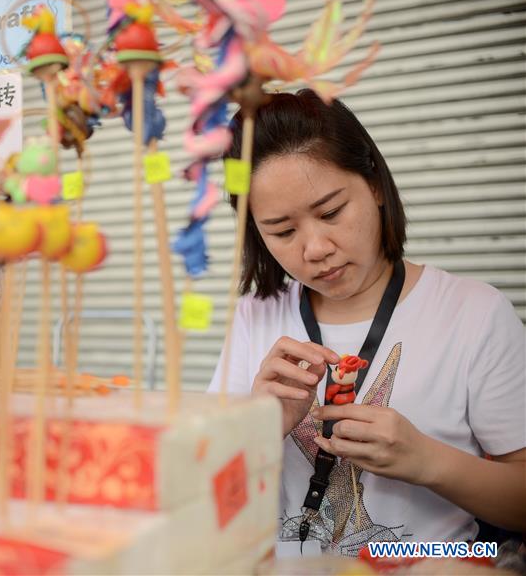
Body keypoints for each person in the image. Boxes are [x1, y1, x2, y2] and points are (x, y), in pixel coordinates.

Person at [208, 90, 525, 557]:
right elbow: (202, 489)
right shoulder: (255, 315)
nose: (316, 248)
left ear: (375, 184)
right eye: (282, 230)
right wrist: (257, 425)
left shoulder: (474, 313)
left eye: (331, 212)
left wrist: (427, 461)